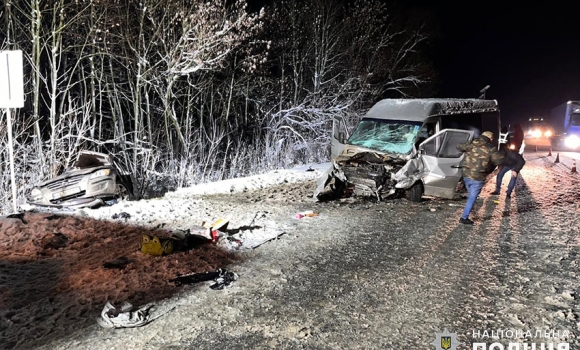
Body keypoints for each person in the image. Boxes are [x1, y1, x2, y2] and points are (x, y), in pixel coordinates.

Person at [456, 131, 505, 225]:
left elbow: (459, 147)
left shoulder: (471, 143)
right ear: (490, 138)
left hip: (466, 174)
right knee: (472, 197)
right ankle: (464, 217)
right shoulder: (490, 148)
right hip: (478, 177)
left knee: (471, 195)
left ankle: (471, 208)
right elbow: (498, 160)